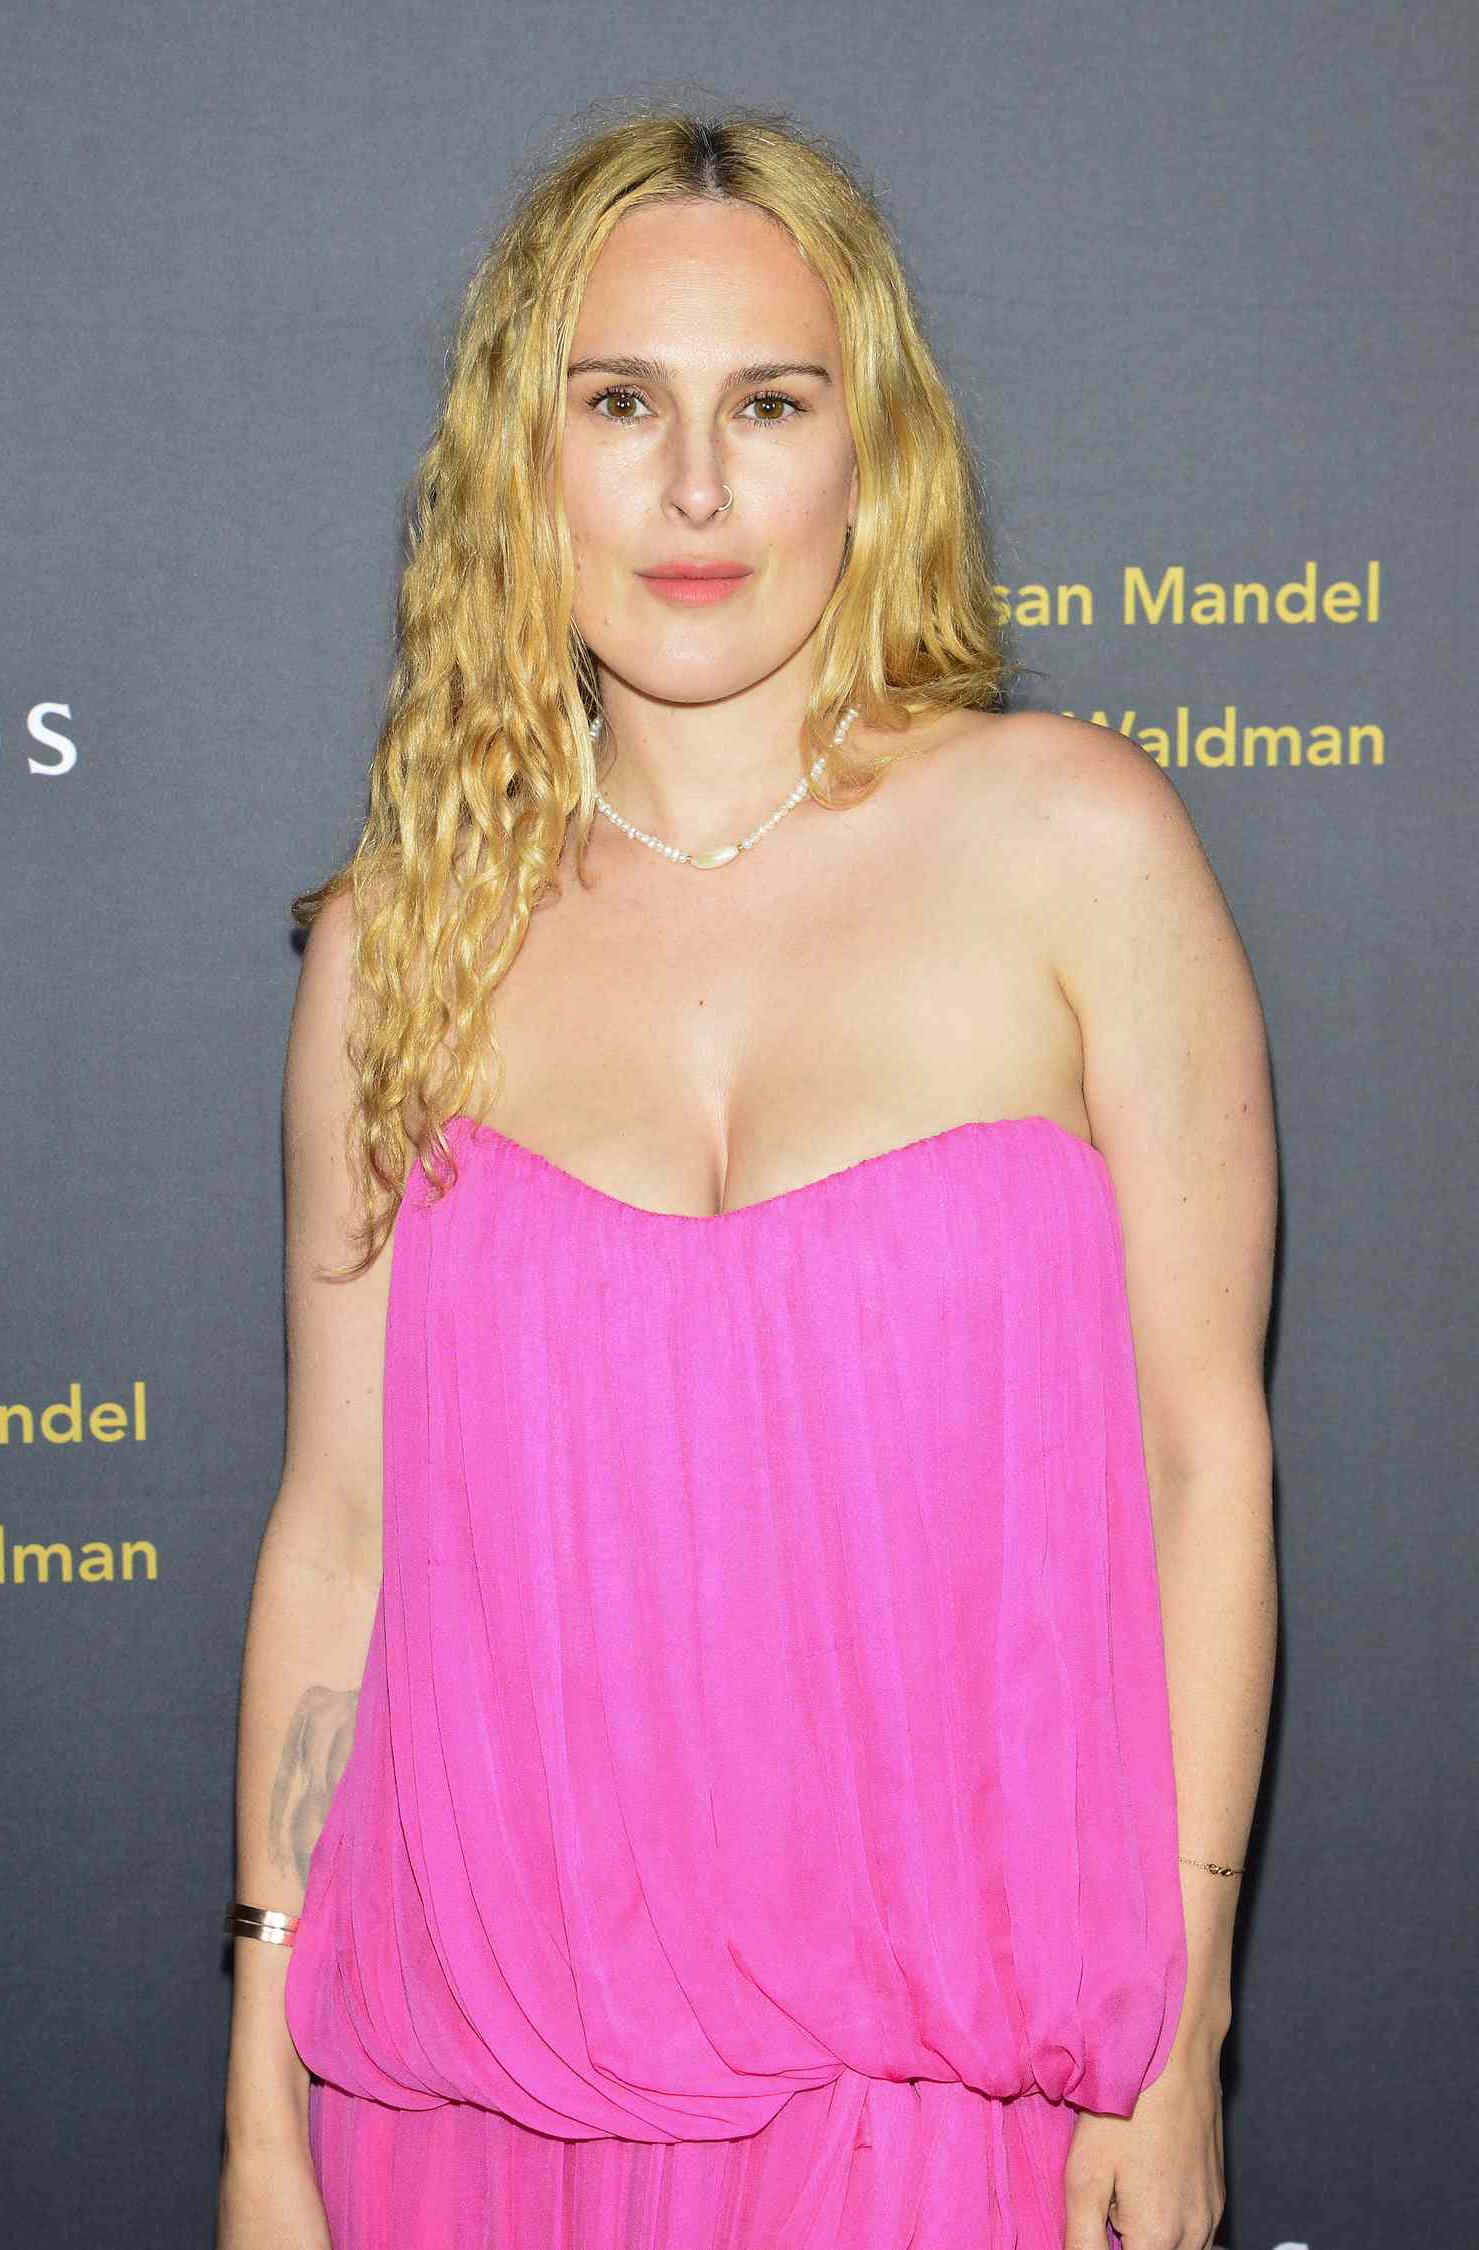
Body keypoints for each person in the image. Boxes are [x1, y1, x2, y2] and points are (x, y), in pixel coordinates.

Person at [217, 102, 1278, 2250]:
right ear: (522, 461)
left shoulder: (1075, 846)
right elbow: (341, 1538)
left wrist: (1178, 2036)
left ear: (868, 455)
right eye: (620, 403)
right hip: (483, 2095)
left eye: (769, 404)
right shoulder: (401, 945)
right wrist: (261, 2116)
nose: (694, 488)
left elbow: (1204, 1460)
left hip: (966, 2094)